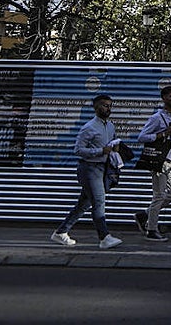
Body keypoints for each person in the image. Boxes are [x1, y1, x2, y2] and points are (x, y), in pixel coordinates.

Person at [50, 94, 123, 250]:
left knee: (83, 204)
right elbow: (78, 150)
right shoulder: (89, 127)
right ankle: (104, 237)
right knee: (99, 201)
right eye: (105, 105)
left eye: (110, 105)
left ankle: (61, 232)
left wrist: (115, 148)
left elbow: (111, 143)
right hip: (90, 169)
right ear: (96, 107)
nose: (108, 108)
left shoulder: (110, 126)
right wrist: (100, 151)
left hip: (104, 168)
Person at [134, 85, 171, 242]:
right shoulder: (156, 118)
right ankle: (152, 230)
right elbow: (142, 137)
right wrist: (163, 134)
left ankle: (145, 215)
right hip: (159, 160)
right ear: (164, 98)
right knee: (159, 196)